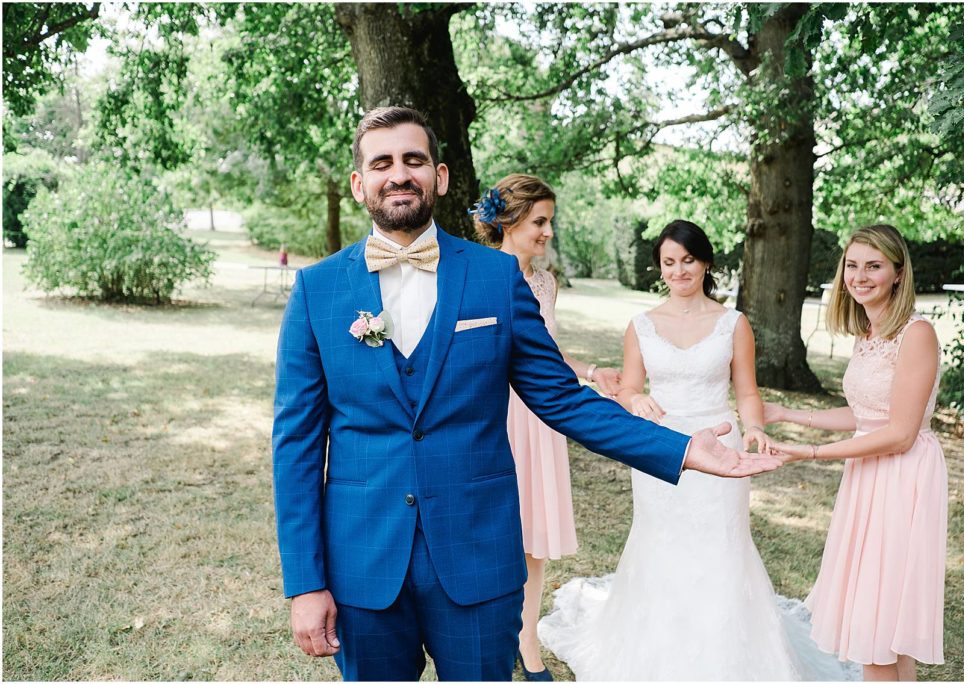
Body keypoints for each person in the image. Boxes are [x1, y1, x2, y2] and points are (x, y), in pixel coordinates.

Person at [272, 107, 782, 682]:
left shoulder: (495, 278)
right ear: (359, 183)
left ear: (438, 176)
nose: (399, 174)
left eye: (413, 160)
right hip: (361, 564)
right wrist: (306, 582)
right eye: (382, 162)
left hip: (478, 559)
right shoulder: (316, 291)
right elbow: (295, 447)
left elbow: (563, 399)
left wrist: (680, 448)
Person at [538, 220, 857, 681]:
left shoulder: (733, 323)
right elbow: (628, 388)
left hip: (722, 449)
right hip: (659, 448)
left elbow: (747, 391)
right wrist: (634, 399)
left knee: (721, 544)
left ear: (705, 262)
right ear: (660, 269)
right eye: (669, 262)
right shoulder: (641, 325)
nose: (679, 271)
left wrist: (753, 427)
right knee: (659, 539)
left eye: (687, 260)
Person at [766, 224, 948, 681]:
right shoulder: (869, 331)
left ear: (898, 273)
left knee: (878, 627)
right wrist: (787, 413)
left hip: (901, 478)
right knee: (882, 629)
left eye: (874, 266)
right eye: (852, 265)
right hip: (867, 475)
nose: (860, 276)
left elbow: (901, 433)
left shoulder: (916, 333)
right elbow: (864, 413)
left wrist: (808, 453)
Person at [470, 173, 621, 681]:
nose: (547, 232)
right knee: (491, 536)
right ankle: (487, 636)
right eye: (540, 221)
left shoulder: (544, 283)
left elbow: (545, 350)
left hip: (539, 420)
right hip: (491, 417)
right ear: (508, 220)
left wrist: (591, 373)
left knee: (534, 539)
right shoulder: (474, 274)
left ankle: (526, 639)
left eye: (550, 222)